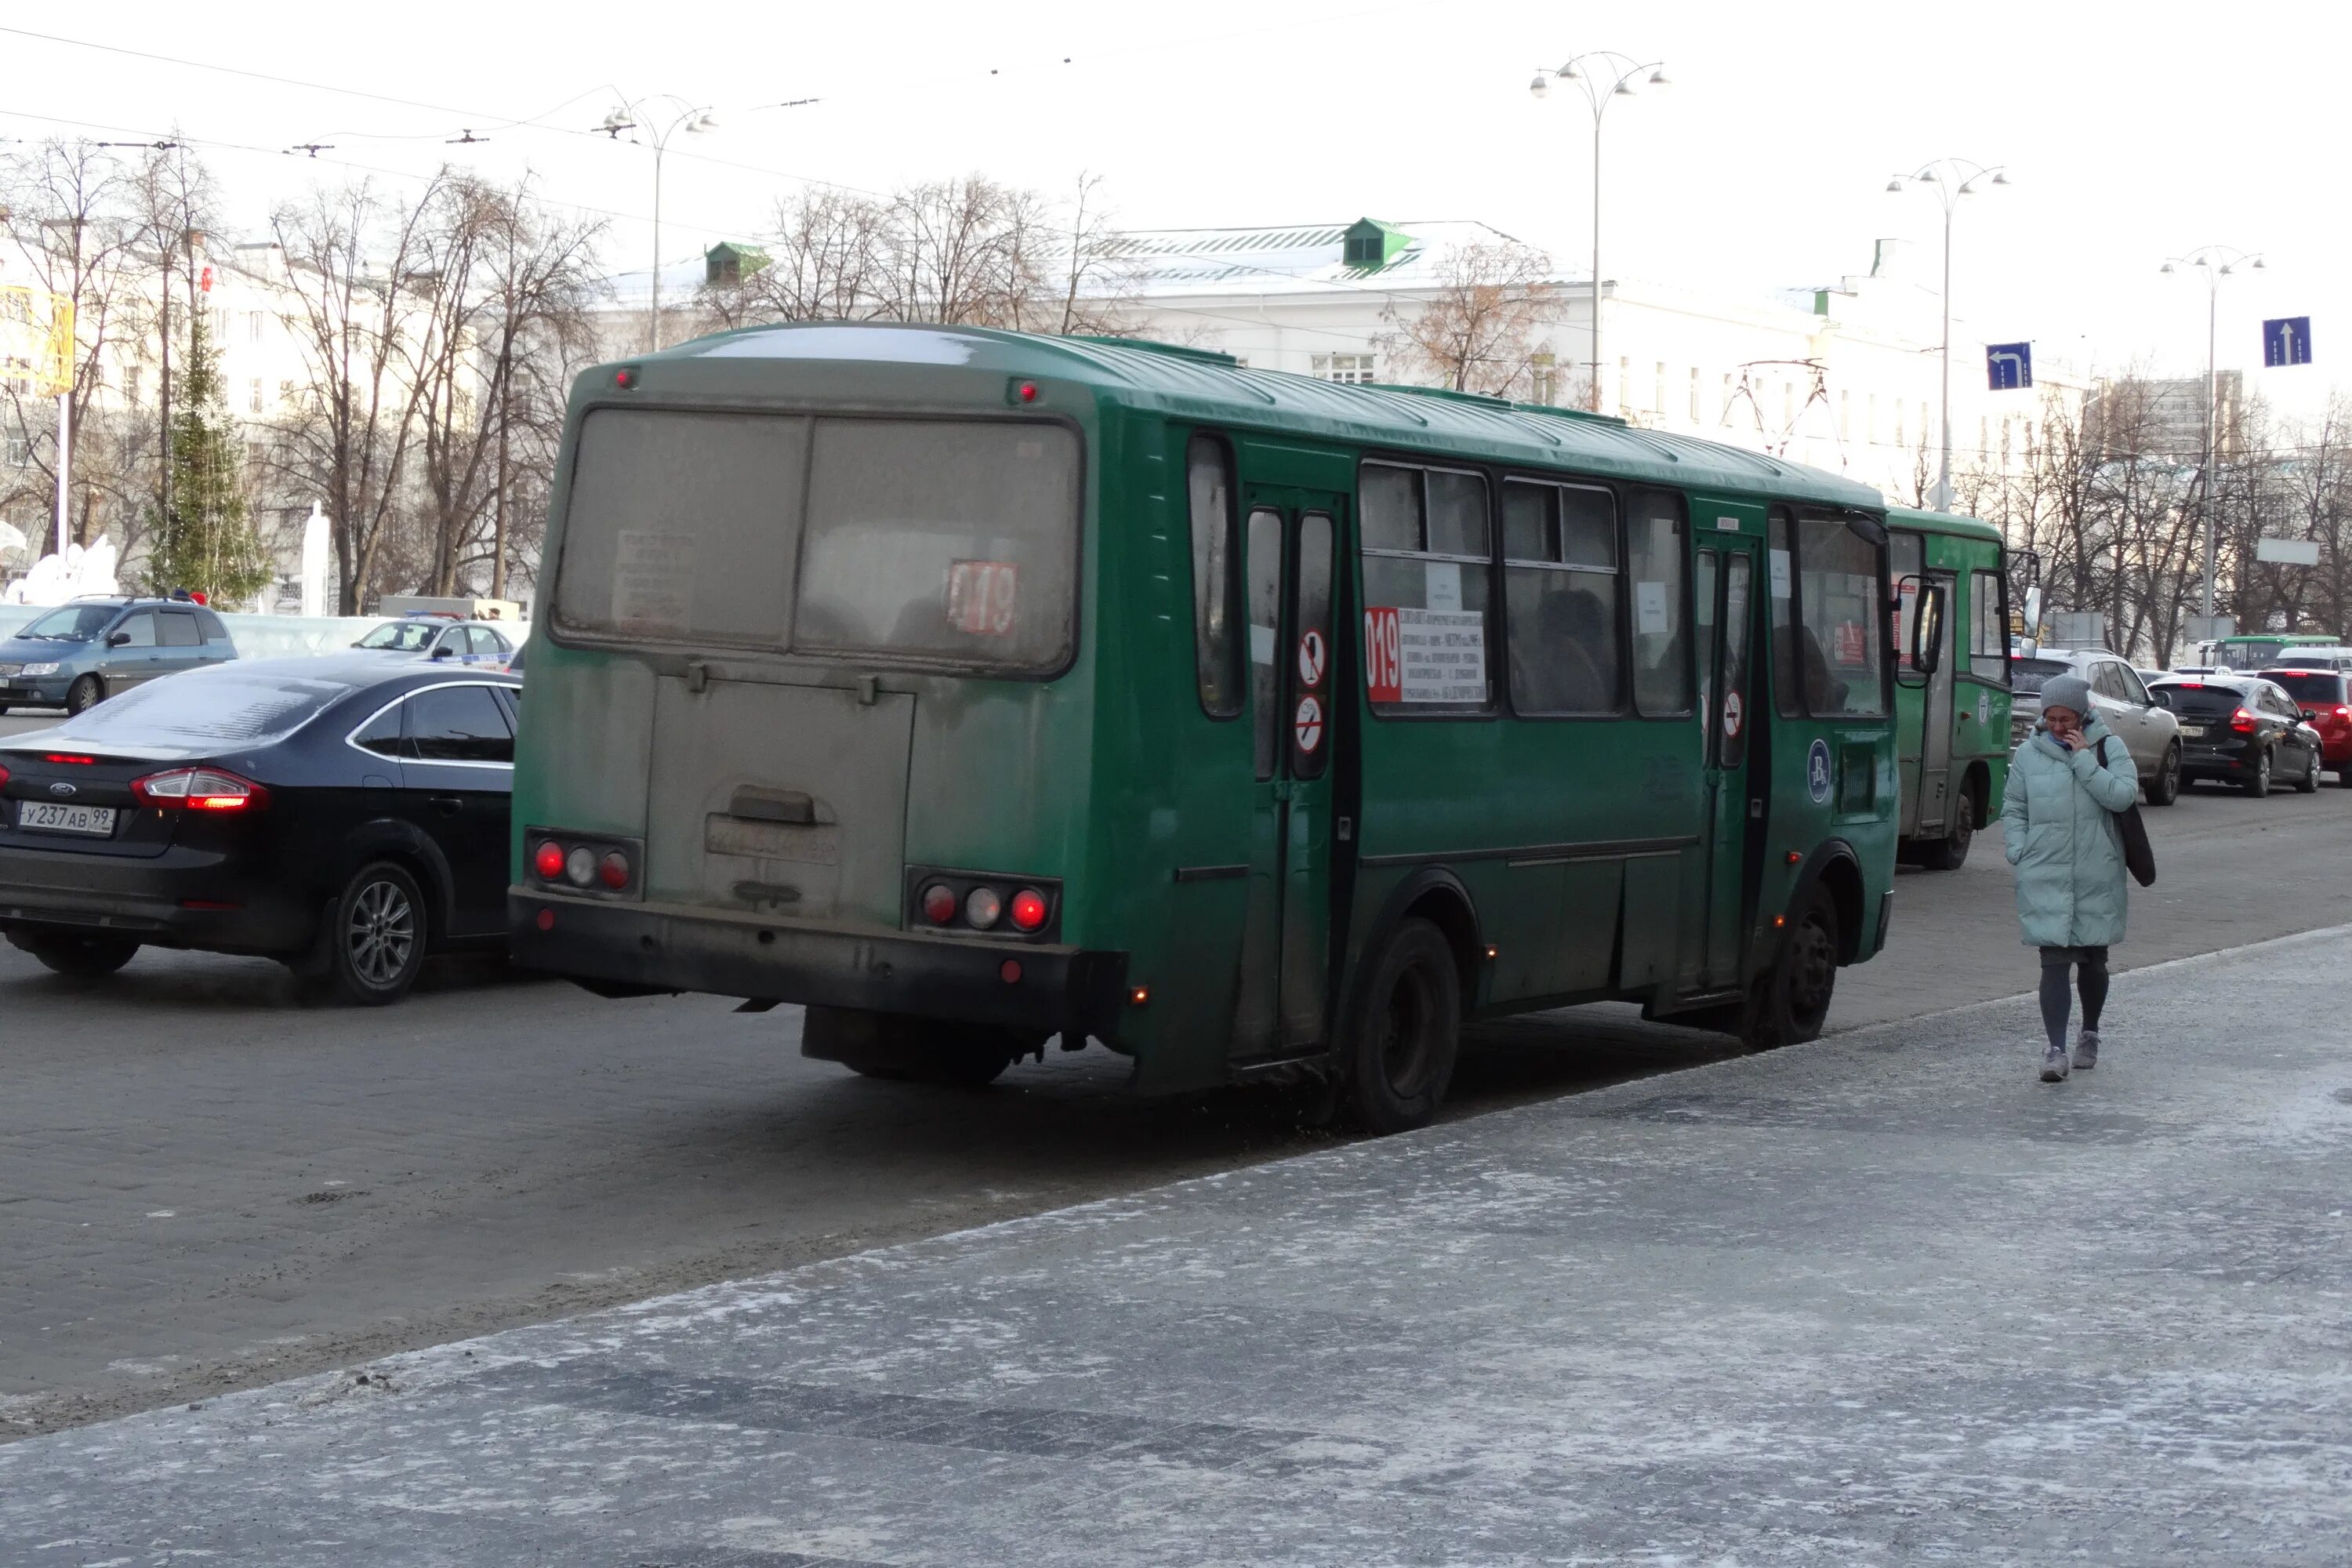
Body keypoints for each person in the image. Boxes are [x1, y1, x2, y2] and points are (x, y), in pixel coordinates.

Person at [2000, 673, 2138, 1083]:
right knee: (2054, 961)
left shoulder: (2108, 747)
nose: (2058, 727)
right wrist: (2019, 848)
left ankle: (2089, 1033)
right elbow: (2014, 807)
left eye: (2066, 719)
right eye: (2051, 718)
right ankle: (2055, 1050)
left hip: (2097, 869)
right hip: (2046, 868)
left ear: (2083, 715)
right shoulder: (2029, 754)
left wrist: (2083, 759)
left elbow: (2122, 796)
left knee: (2094, 961)